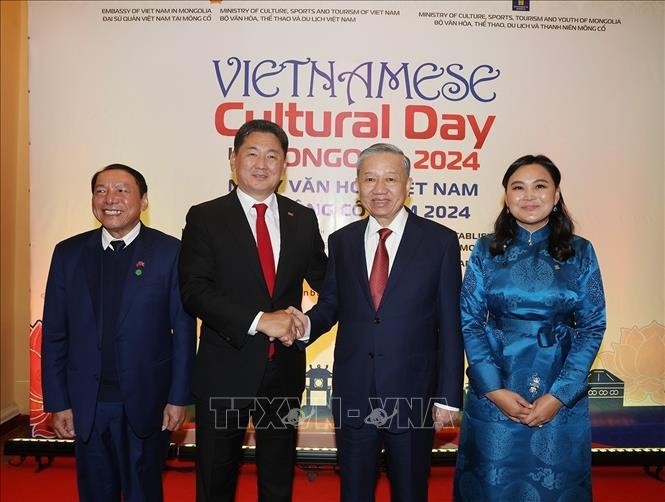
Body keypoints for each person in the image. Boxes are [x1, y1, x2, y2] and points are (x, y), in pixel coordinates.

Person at [294, 143, 464, 501]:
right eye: (370, 179)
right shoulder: (342, 241)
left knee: (410, 491)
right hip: (355, 392)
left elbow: (451, 324)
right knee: (354, 492)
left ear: (408, 184)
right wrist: (304, 326)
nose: (380, 188)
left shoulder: (441, 242)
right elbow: (331, 305)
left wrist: (448, 397)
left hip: (414, 393)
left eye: (390, 178)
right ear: (357, 185)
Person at [179, 119, 328, 502]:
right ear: (233, 159)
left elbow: (330, 283)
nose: (262, 163)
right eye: (252, 153)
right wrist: (261, 321)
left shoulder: (302, 217)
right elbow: (194, 291)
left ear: (284, 164)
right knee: (216, 478)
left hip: (284, 371)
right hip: (224, 369)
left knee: (278, 478)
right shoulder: (205, 216)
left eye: (272, 155)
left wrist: (309, 322)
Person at [453, 155, 606, 501]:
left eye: (540, 186)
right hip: (497, 388)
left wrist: (560, 395)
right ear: (506, 198)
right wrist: (493, 389)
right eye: (517, 188)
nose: (529, 196)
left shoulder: (581, 252)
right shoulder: (485, 250)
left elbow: (593, 325)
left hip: (558, 390)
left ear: (555, 195)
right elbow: (470, 320)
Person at [41, 164, 196, 502]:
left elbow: (183, 331)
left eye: (122, 190)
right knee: (96, 493)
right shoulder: (67, 253)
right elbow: (54, 333)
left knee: (144, 491)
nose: (110, 199)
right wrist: (58, 401)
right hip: (87, 403)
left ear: (143, 201)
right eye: (101, 190)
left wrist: (178, 396)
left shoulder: (170, 252)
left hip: (147, 401)